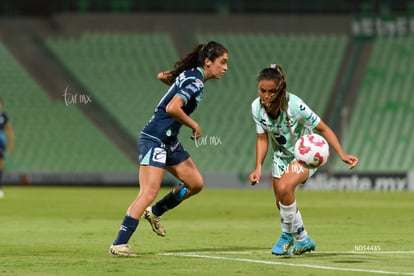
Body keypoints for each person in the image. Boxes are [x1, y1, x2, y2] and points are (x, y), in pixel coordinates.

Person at [109, 41, 229, 256]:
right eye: (222, 62)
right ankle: (119, 243)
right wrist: (194, 125)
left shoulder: (191, 74)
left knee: (195, 183)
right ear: (208, 62)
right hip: (154, 138)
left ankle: (155, 212)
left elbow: (162, 76)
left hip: (169, 140)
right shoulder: (196, 81)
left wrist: (174, 82)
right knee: (148, 192)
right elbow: (172, 107)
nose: (225, 67)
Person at [248, 64, 358, 256]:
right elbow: (261, 138)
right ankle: (303, 239)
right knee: (281, 202)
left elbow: (323, 128)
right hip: (280, 157)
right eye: (262, 90)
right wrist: (258, 166)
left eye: (271, 91)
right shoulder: (256, 107)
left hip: (304, 156)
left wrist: (341, 154)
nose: (265, 96)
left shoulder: (295, 105)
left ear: (280, 89)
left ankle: (286, 236)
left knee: (284, 189)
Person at [0, 98, 15, 199]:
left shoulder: (4, 116)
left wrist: (11, 143)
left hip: (1, 143)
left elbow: (9, 130)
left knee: (0, 165)